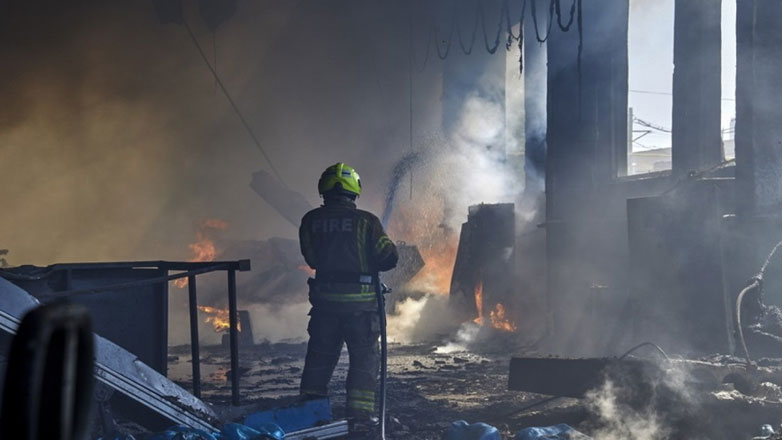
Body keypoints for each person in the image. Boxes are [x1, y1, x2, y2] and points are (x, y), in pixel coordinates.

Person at [299, 162, 398, 430]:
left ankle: (310, 410)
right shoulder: (367, 222)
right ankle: (359, 416)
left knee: (319, 356)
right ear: (354, 190)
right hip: (361, 307)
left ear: (323, 189)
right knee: (364, 360)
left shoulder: (310, 220)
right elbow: (388, 258)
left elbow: (312, 258)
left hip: (325, 304)